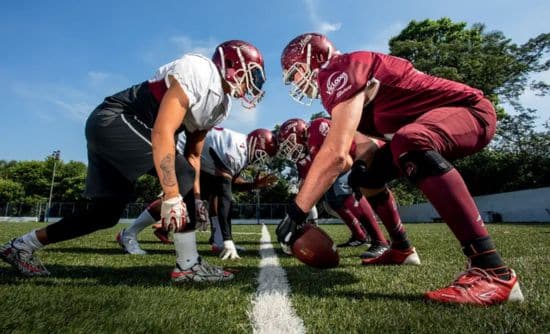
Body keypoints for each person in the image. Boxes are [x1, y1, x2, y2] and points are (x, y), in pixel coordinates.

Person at [276, 33, 524, 305]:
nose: (295, 83)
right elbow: (363, 149)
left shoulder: (338, 69)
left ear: (315, 59)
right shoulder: (343, 85)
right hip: (427, 126)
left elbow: (335, 154)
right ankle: (402, 248)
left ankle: (492, 269)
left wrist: (296, 212)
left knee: (410, 141)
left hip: (470, 111)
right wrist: (360, 169)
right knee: (367, 175)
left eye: (295, 73)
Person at [0, 40, 266, 283]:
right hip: (115, 119)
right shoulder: (200, 70)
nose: (255, 83)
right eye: (254, 74)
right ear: (232, 64)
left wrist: (195, 198)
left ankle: (22, 245)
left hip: (120, 130)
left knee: (104, 214)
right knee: (180, 175)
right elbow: (162, 131)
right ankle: (187, 266)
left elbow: (193, 155)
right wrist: (173, 195)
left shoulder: (221, 106)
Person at [117, 127, 278, 259]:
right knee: (180, 196)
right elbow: (226, 195)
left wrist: (254, 185)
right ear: (255, 145)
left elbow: (229, 184)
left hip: (193, 157)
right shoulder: (236, 150)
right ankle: (128, 234)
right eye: (261, 155)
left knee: (213, 190)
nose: (260, 161)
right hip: (174, 148)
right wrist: (229, 239)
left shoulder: (241, 148)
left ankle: (218, 241)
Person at [277, 117, 389, 258]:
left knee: (342, 186)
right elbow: (307, 185)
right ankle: (359, 236)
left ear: (302, 132)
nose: (290, 149)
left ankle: (380, 241)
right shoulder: (302, 158)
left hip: (366, 156)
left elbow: (344, 162)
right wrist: (295, 214)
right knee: (332, 199)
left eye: (290, 143)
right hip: (347, 166)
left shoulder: (317, 128)